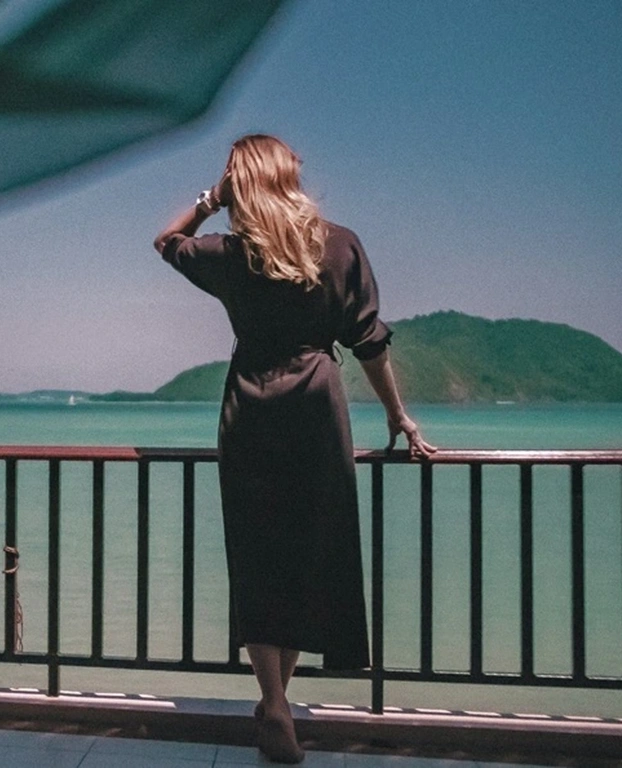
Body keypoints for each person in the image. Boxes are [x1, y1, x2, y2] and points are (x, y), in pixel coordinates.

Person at [154, 135, 434, 763]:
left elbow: (165, 242)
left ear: (239, 184)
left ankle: (273, 699)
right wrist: (398, 415)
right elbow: (369, 342)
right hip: (316, 407)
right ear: (291, 176)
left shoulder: (230, 253)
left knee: (258, 554)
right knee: (309, 549)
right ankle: (283, 696)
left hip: (248, 408)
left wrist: (206, 201)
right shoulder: (339, 245)